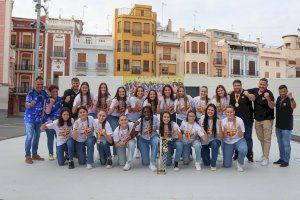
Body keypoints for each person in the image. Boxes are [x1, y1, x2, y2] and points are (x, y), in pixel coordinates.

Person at [248, 78, 275, 166]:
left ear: (267, 85)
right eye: (261, 84)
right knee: (261, 138)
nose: (262, 86)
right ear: (258, 84)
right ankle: (264, 155)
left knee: (266, 139)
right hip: (257, 120)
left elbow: (272, 106)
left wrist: (267, 98)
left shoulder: (269, 93)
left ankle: (266, 158)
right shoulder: (255, 90)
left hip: (267, 119)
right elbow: (243, 90)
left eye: (264, 84)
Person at [24, 76, 49, 164]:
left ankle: (34, 154)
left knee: (37, 136)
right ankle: (27, 156)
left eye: (41, 84)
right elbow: (26, 104)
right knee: (30, 136)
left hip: (38, 120)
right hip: (29, 119)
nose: (40, 86)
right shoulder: (30, 93)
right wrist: (30, 104)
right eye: (38, 84)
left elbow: (49, 99)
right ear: (35, 84)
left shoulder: (44, 92)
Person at [229, 79, 255, 162]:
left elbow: (252, 98)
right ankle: (236, 153)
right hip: (236, 122)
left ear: (241, 85)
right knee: (236, 138)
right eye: (235, 85)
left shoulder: (245, 93)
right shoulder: (232, 94)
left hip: (247, 120)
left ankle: (249, 155)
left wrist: (247, 94)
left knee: (247, 138)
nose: (237, 87)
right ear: (233, 86)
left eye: (238, 85)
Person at [274, 85, 297, 167]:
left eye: (284, 91)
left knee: (286, 144)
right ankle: (282, 158)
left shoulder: (289, 99)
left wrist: (291, 98)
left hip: (287, 126)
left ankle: (286, 161)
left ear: (286, 91)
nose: (282, 93)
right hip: (278, 126)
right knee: (280, 143)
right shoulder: (278, 98)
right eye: (280, 92)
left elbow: (294, 106)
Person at [221, 106, 248, 172]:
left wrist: (238, 128)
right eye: (228, 112)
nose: (229, 114)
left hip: (238, 140)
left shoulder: (239, 120)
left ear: (234, 112)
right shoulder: (223, 121)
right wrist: (225, 130)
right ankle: (229, 154)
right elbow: (223, 137)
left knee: (243, 149)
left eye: (231, 112)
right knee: (227, 165)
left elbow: (242, 135)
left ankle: (240, 163)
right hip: (227, 142)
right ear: (225, 113)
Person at [135, 106, 160, 172]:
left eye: (148, 112)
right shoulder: (139, 120)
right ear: (142, 113)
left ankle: (152, 163)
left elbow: (160, 128)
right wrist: (136, 125)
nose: (146, 114)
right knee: (145, 163)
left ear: (151, 113)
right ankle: (146, 157)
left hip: (153, 136)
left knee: (156, 141)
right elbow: (136, 132)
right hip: (143, 139)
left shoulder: (155, 118)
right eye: (145, 112)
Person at [199, 104, 222, 171]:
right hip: (204, 141)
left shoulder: (217, 120)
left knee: (215, 144)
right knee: (206, 163)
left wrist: (219, 126)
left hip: (214, 140)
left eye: (212, 110)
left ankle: (213, 163)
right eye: (209, 110)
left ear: (215, 112)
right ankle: (208, 157)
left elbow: (220, 137)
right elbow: (199, 130)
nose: (210, 111)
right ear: (206, 110)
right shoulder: (202, 118)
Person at [44, 85, 62, 161]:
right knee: (50, 139)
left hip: (58, 122)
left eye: (56, 91)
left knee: (59, 139)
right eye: (53, 91)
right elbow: (47, 112)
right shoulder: (48, 100)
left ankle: (59, 153)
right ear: (50, 92)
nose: (55, 93)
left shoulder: (60, 99)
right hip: (50, 123)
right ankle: (51, 154)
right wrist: (51, 103)